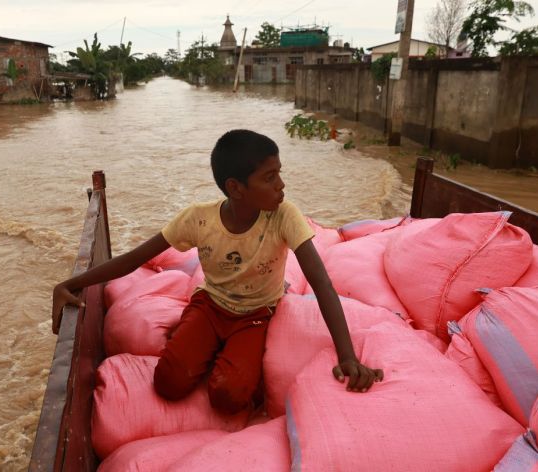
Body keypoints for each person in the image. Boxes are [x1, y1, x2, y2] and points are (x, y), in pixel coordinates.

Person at [52, 129, 383, 415]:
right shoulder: (198, 219)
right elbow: (134, 259)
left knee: (228, 396)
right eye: (269, 178)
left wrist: (347, 355)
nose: (281, 185)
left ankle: (218, 356)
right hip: (210, 307)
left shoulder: (284, 215)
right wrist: (71, 283)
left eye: (279, 173)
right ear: (236, 188)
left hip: (256, 314)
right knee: (168, 383)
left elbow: (321, 281)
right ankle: (201, 345)